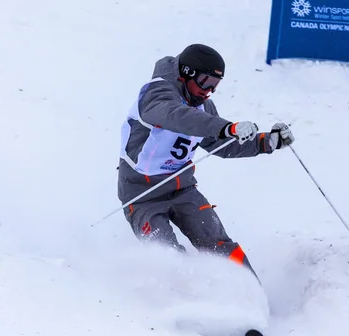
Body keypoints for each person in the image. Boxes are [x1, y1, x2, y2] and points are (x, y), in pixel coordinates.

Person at [117, 43, 295, 279]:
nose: (208, 91)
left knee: (217, 243)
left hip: (183, 190)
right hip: (142, 195)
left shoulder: (203, 105)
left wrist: (267, 142)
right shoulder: (156, 93)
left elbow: (219, 144)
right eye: (205, 82)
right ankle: (188, 305)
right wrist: (225, 127)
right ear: (186, 73)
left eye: (214, 85)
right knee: (166, 254)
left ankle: (249, 294)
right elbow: (178, 117)